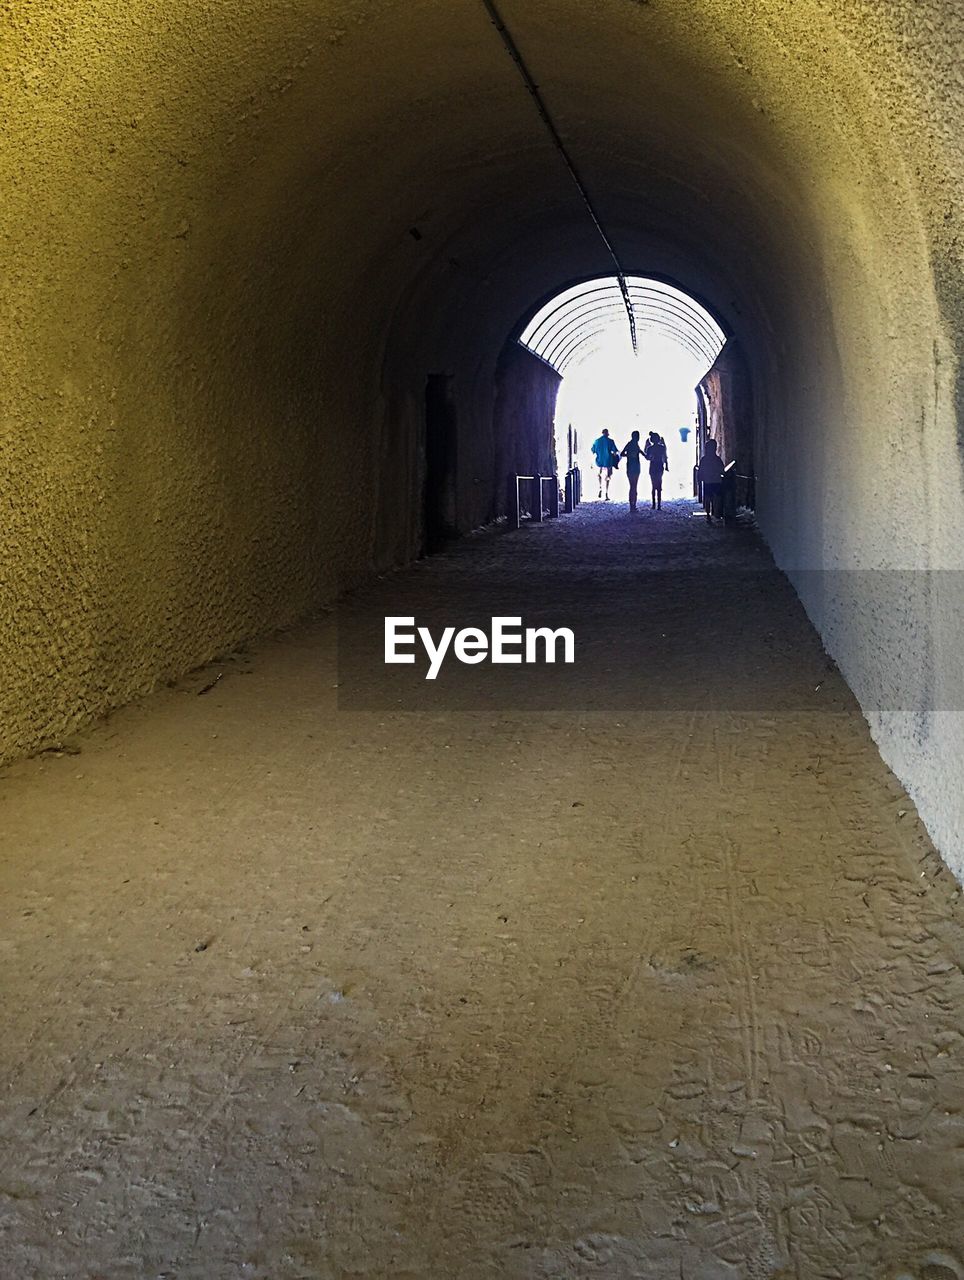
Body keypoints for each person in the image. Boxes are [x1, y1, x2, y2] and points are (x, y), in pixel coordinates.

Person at [697, 438, 726, 521]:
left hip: (708, 481)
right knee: (717, 497)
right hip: (716, 480)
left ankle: (708, 514)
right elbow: (722, 470)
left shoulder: (704, 460)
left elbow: (700, 471)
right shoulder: (717, 459)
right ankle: (716, 512)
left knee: (708, 498)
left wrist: (699, 479)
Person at [590, 429, 620, 500]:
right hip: (608, 461)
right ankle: (606, 493)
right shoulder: (611, 441)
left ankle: (600, 487)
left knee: (599, 475)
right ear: (607, 434)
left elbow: (592, 450)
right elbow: (615, 451)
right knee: (608, 477)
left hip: (599, 461)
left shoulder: (597, 441)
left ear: (602, 433)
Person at [643, 431, 668, 510]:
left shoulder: (649, 448)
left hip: (653, 466)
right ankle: (659, 505)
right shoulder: (662, 448)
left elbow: (647, 458)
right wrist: (667, 466)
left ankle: (654, 504)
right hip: (660, 466)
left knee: (653, 486)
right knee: (659, 485)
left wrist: (646, 447)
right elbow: (665, 457)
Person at [620, 430, 645, 512]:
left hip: (630, 467)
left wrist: (628, 455)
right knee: (634, 486)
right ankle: (633, 505)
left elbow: (622, 454)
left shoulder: (631, 444)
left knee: (632, 486)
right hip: (635, 467)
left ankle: (632, 505)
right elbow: (622, 454)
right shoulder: (633, 444)